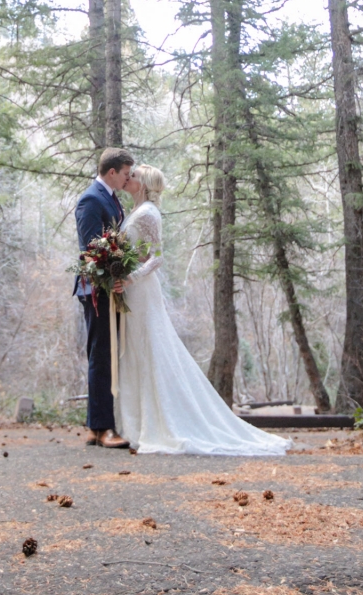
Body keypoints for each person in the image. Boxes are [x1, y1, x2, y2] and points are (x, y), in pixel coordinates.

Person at [115, 164, 290, 457]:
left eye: (133, 176)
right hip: (130, 291)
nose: (128, 178)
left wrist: (130, 277)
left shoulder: (148, 214)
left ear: (143, 184)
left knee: (149, 350)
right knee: (134, 352)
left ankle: (162, 423)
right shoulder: (135, 211)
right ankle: (136, 423)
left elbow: (157, 258)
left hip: (142, 290)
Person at [74, 147, 134, 448]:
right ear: (112, 172)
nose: (128, 179)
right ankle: (103, 427)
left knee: (106, 355)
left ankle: (97, 428)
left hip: (111, 287)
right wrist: (112, 274)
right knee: (102, 356)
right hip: (97, 289)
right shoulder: (91, 199)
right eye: (125, 174)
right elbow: (90, 248)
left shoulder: (111, 199)